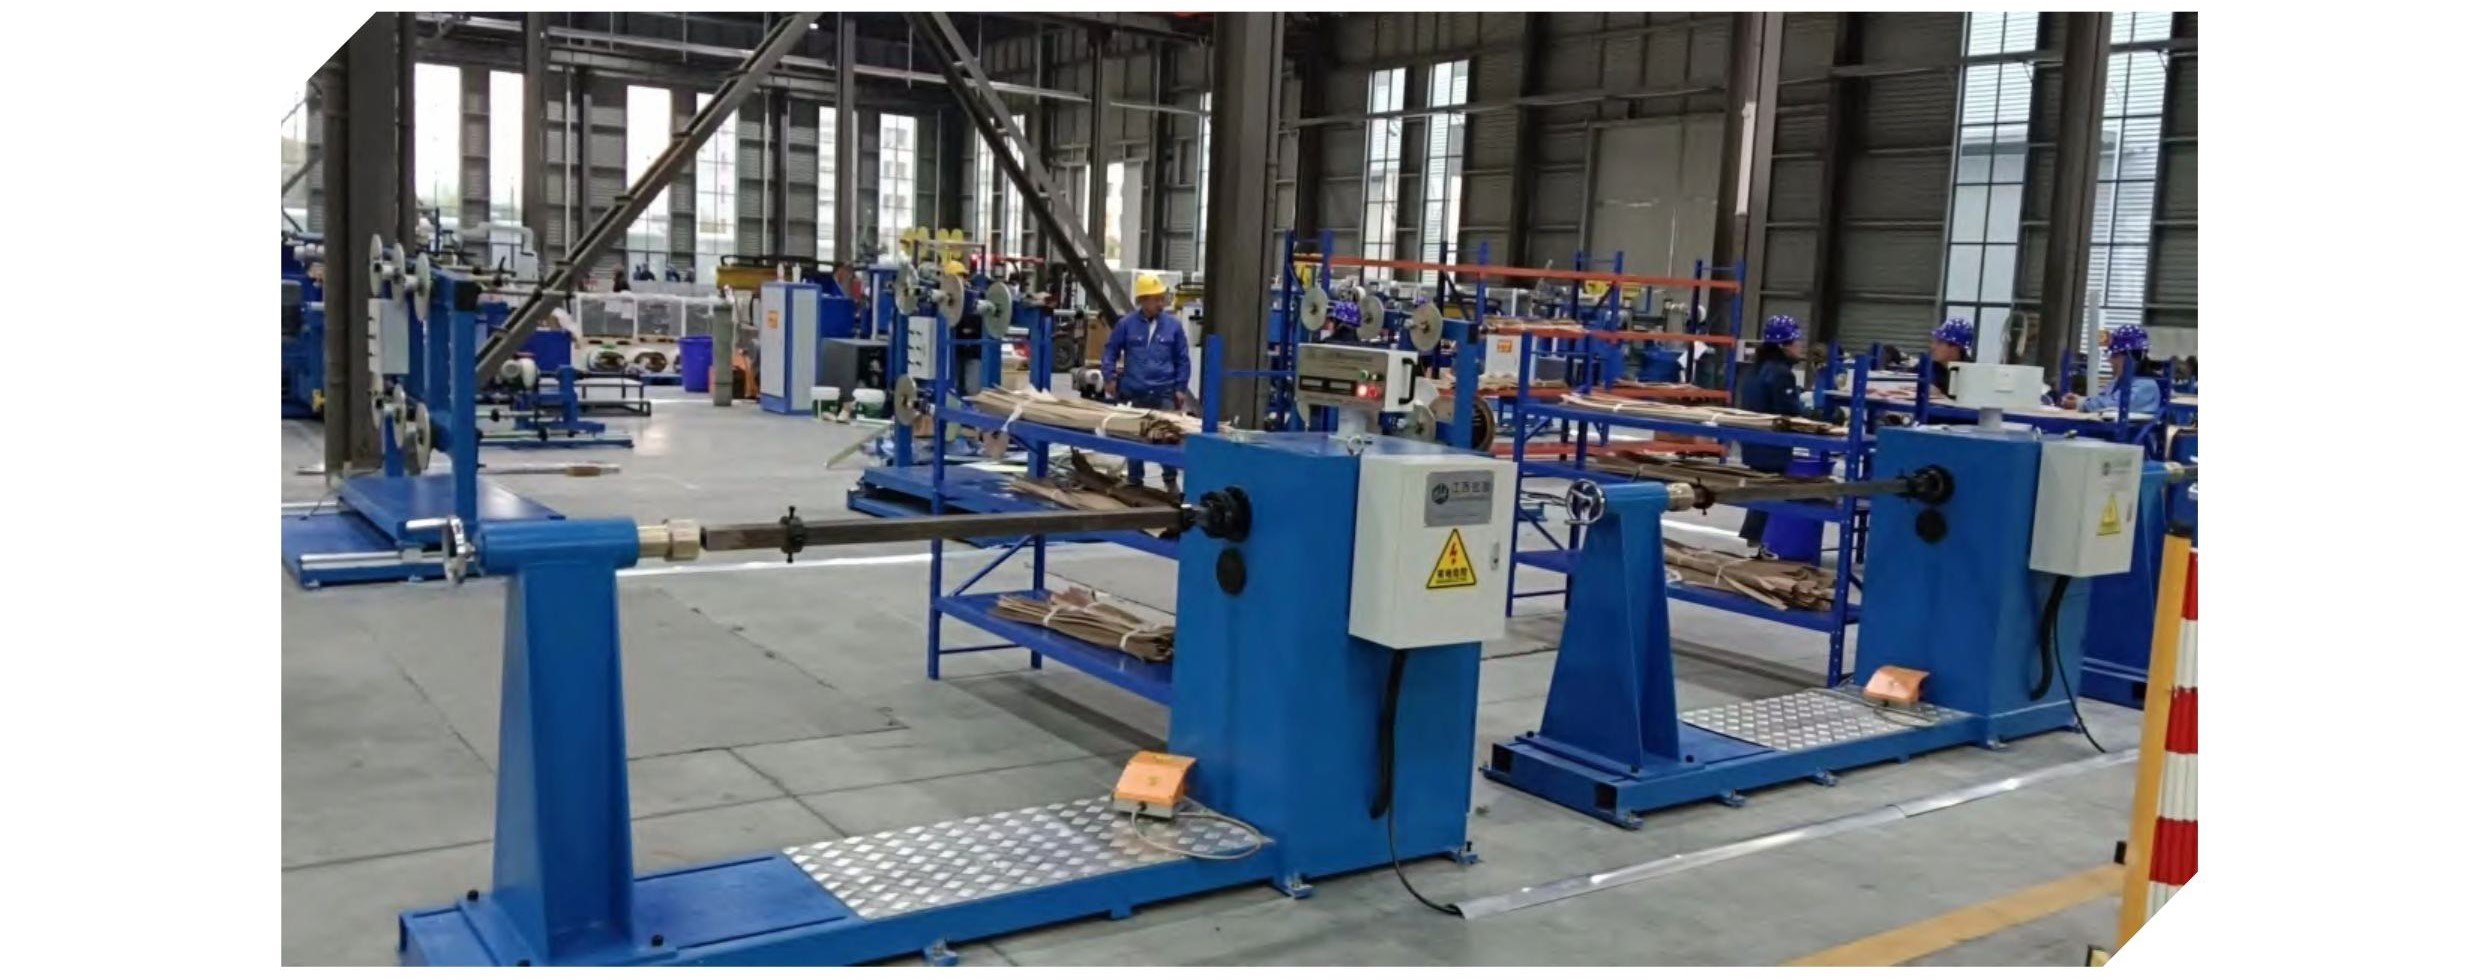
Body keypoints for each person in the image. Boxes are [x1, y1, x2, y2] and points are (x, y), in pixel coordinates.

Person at [1101, 273, 1193, 492]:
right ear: (1143, 300)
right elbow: (1110, 351)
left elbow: (1182, 358)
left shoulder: (1173, 327)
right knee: (1135, 439)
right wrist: (1109, 377)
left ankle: (1170, 481)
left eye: (1162, 298)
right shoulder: (1126, 325)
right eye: (1156, 299)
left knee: (1167, 439)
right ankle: (1135, 482)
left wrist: (1180, 388)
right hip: (1134, 391)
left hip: (1163, 393)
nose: (1161, 303)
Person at [1734, 314, 1808, 551]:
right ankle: (1760, 539)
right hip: (1771, 445)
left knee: (1764, 488)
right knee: (1771, 490)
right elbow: (1789, 411)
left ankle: (1754, 536)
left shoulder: (1755, 370)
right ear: (1783, 345)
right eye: (1797, 341)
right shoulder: (1780, 373)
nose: (1801, 345)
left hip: (1753, 441)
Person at [2061, 324, 2165, 415]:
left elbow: (2114, 405)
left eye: (2114, 355)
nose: (2110, 360)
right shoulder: (2118, 381)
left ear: (2132, 357)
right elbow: (2103, 399)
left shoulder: (2146, 386)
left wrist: (2080, 403)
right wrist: (2082, 400)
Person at [1925, 316, 1974, 397]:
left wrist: (1942, 396)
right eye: (1934, 342)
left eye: (1939, 343)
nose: (1932, 347)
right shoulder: (1926, 366)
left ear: (1956, 348)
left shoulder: (1971, 374)